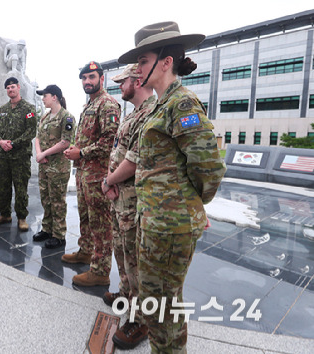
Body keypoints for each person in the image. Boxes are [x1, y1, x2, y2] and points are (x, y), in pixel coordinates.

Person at [117, 22, 227, 353]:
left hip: (169, 226)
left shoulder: (182, 104)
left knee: (160, 306)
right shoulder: (163, 104)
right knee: (160, 302)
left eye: (144, 59)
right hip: (157, 223)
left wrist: (191, 204)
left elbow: (209, 167)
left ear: (166, 62)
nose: (137, 68)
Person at [100, 64, 155, 349]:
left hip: (134, 201)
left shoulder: (150, 113)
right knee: (122, 253)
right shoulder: (133, 114)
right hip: (121, 198)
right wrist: (111, 184)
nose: (120, 86)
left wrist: (109, 179)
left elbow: (134, 160)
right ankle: (125, 294)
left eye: (123, 82)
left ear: (138, 80)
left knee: (135, 261)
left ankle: (141, 320)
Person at [62, 61, 121, 286]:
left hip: (98, 175)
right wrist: (76, 152)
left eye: (92, 77)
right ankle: (86, 252)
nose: (87, 81)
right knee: (86, 218)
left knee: (101, 224)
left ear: (101, 79)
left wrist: (82, 152)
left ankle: (100, 271)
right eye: (84, 78)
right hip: (84, 173)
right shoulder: (90, 105)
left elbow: (109, 143)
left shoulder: (107, 104)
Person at [0, 77, 37, 231]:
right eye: (8, 88)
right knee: (2, 187)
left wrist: (14, 143)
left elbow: (31, 131)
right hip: (3, 156)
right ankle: (4, 214)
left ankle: (22, 218)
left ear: (18, 87)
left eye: (13, 87)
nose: (10, 90)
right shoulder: (1, 110)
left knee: (20, 187)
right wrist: (1, 141)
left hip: (20, 156)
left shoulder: (28, 109)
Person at [32, 84, 75, 249]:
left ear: (55, 97)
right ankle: (47, 229)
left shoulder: (67, 117)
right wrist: (38, 154)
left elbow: (65, 142)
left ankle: (59, 235)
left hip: (58, 167)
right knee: (46, 199)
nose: (43, 99)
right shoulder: (45, 117)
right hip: (44, 166)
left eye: (45, 96)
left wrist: (44, 154)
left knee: (57, 201)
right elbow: (37, 137)